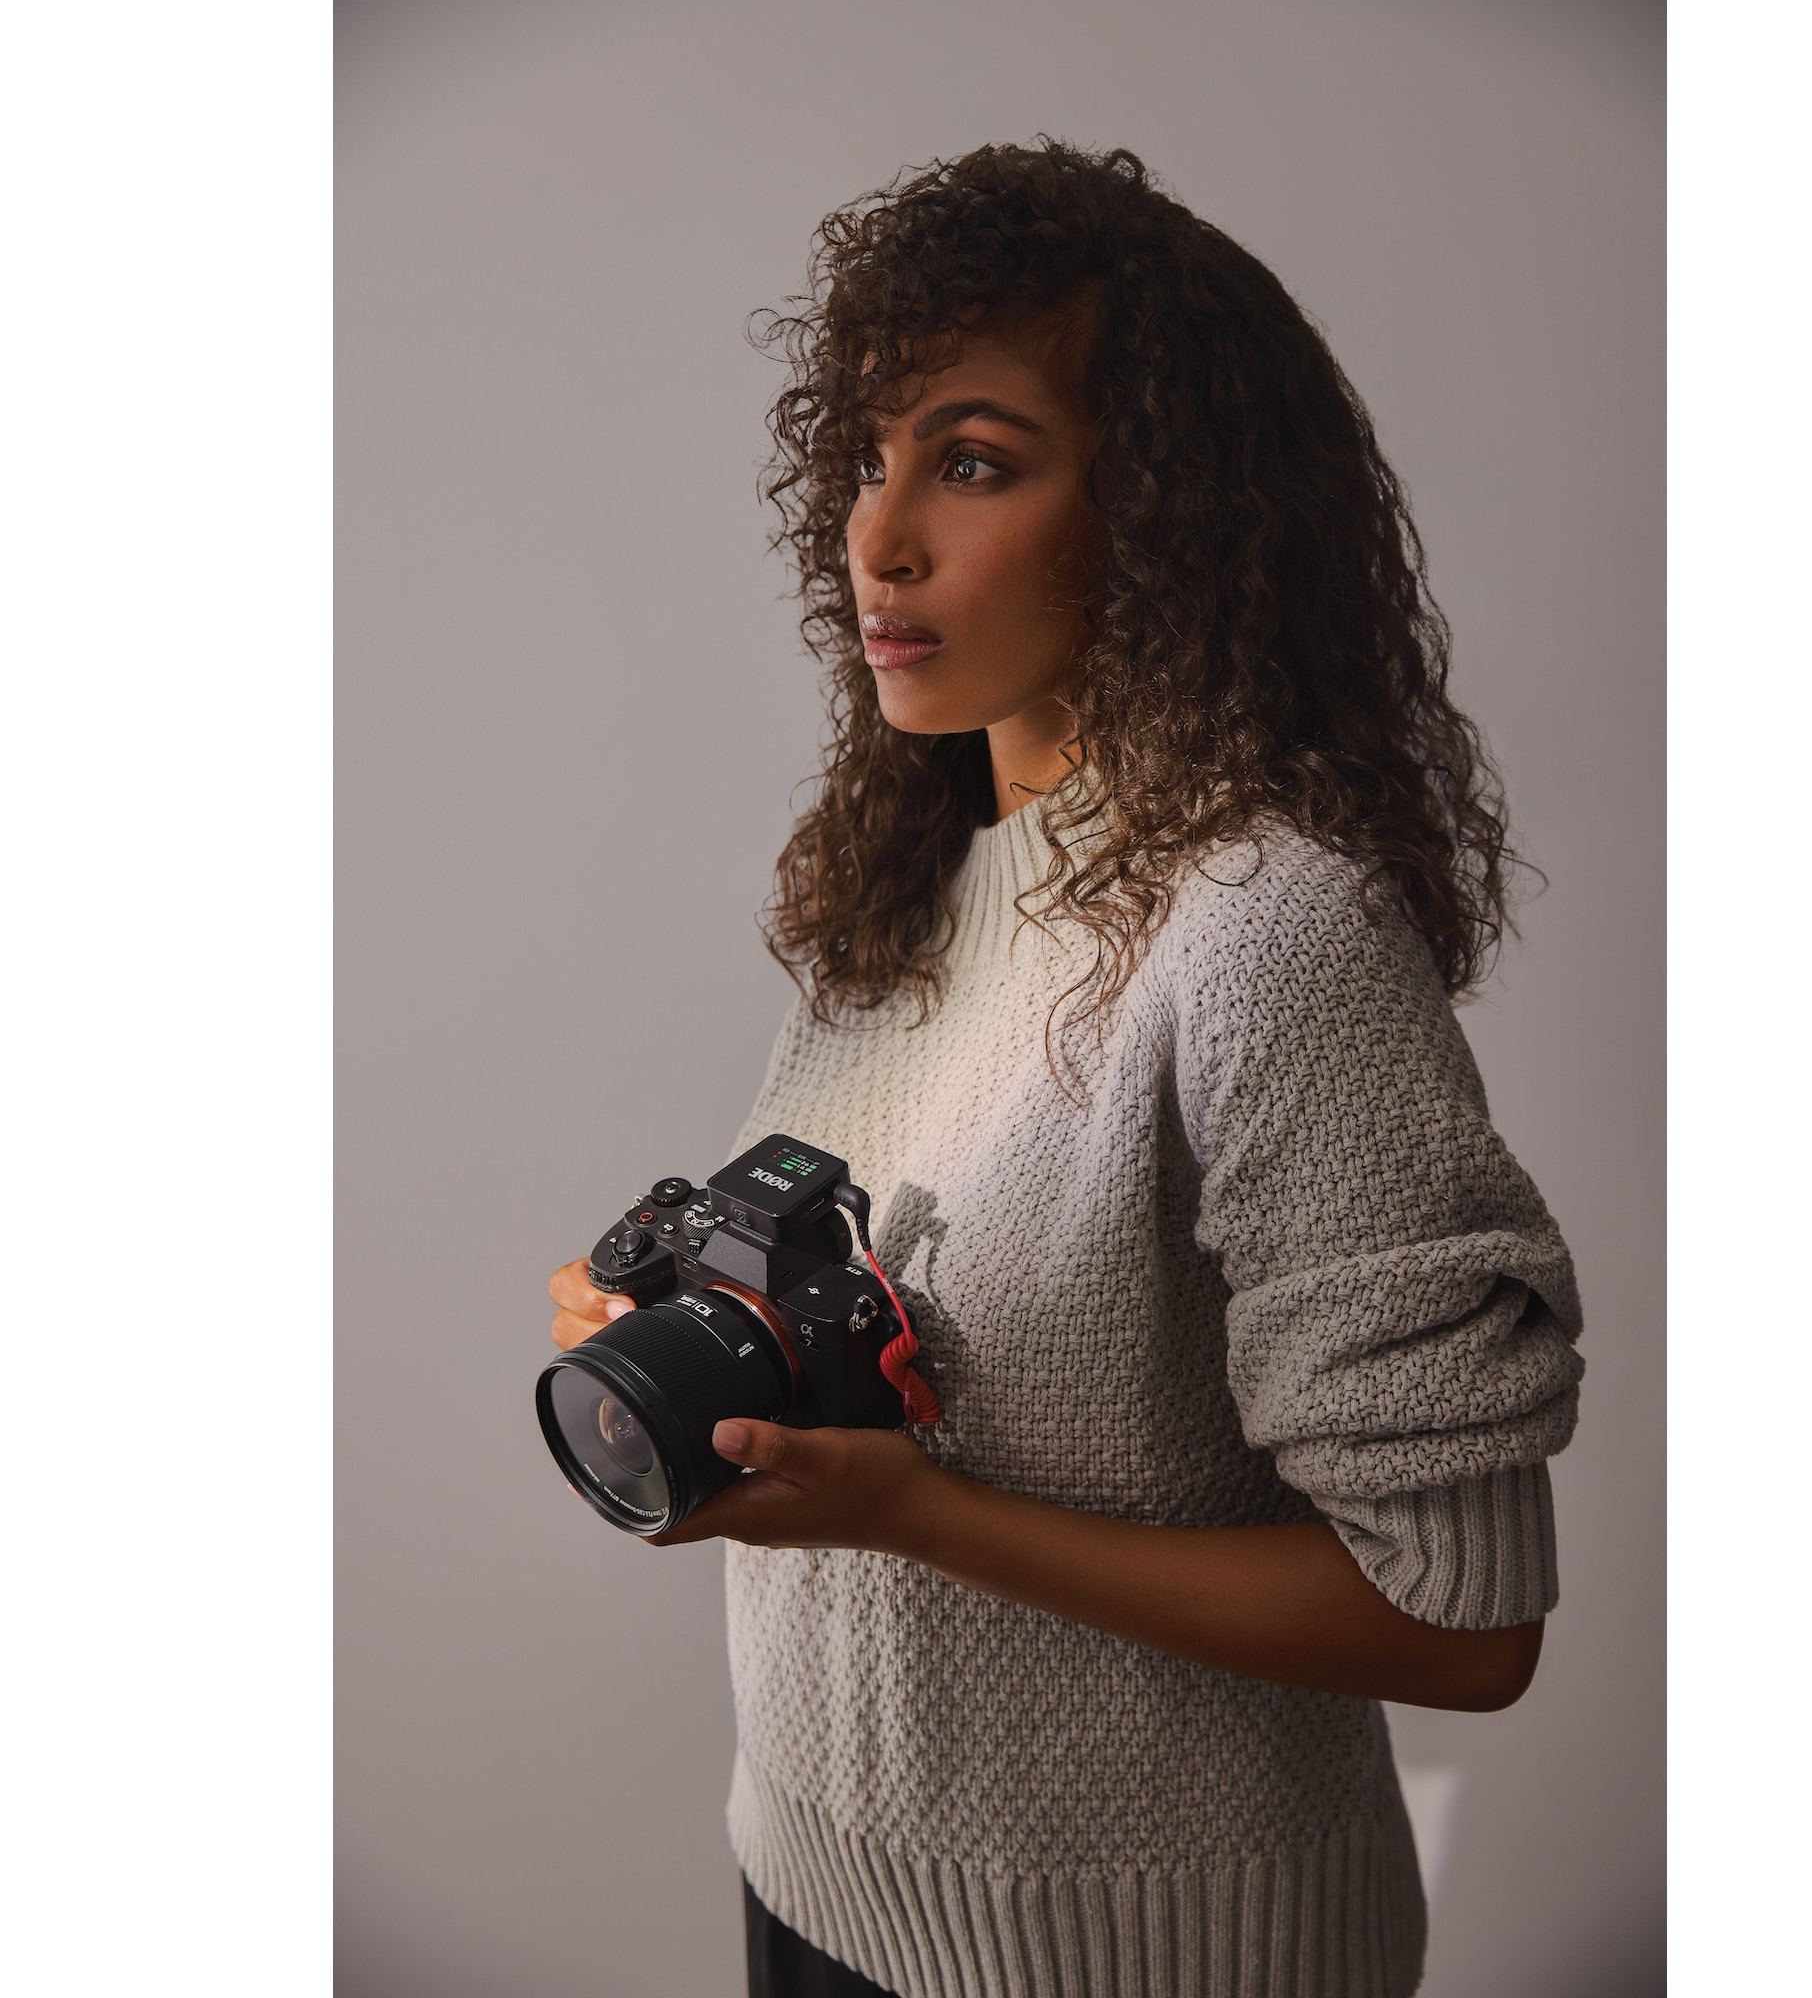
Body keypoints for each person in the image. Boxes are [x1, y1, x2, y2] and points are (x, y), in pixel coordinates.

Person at [549, 141, 1583, 1998]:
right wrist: (688, 1333)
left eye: (972, 462)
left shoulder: (1270, 931)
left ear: (1174, 513)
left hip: (1142, 1958)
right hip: (807, 1879)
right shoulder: (910, 883)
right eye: (868, 459)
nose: (877, 537)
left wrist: (917, 1518)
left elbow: (1459, 1617)